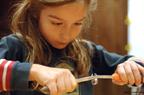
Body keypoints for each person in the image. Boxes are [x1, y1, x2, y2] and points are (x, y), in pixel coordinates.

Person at [0, 0, 144, 95]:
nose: (66, 35)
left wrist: (133, 67)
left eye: (77, 23)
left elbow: (137, 62)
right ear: (35, 13)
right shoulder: (14, 46)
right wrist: (35, 71)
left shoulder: (88, 51)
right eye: (56, 23)